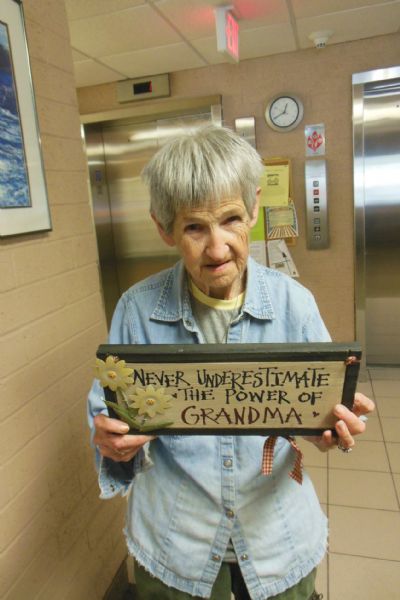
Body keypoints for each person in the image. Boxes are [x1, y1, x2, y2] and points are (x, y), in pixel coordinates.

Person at [88, 125, 374, 600]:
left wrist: (330, 429)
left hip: (276, 538)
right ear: (163, 228)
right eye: (194, 227)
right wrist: (112, 443)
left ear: (255, 208)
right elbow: (105, 414)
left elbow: (319, 412)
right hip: (176, 543)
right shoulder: (136, 310)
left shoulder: (293, 304)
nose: (218, 249)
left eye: (231, 220)